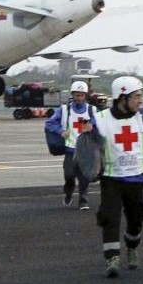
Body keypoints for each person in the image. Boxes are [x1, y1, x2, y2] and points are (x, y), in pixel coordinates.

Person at [91, 75, 143, 277]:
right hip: (111, 178)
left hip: (136, 178)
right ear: (122, 98)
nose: (140, 101)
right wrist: (93, 167)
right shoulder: (100, 119)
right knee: (109, 217)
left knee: (136, 217)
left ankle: (132, 246)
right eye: (137, 96)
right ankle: (112, 258)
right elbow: (89, 148)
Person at [44, 80, 99, 209]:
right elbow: (49, 123)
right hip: (70, 150)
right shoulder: (64, 110)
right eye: (76, 95)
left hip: (85, 150)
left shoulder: (92, 110)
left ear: (85, 96)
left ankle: (83, 201)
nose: (79, 98)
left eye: (81, 95)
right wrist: (61, 131)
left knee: (84, 177)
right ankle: (68, 193)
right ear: (72, 95)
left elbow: (101, 125)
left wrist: (93, 128)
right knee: (69, 176)